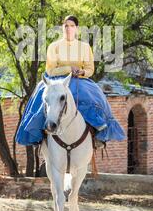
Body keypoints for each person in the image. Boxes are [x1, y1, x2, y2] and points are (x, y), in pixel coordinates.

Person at [15, 15, 126, 146]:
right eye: (66, 26)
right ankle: (39, 133)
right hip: (56, 80)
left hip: (79, 79)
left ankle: (97, 131)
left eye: (72, 26)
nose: (69, 29)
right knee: (41, 98)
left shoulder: (84, 47)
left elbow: (90, 69)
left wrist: (82, 72)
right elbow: (50, 70)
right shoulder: (54, 46)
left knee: (94, 95)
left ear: (77, 29)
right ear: (62, 28)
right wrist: (68, 68)